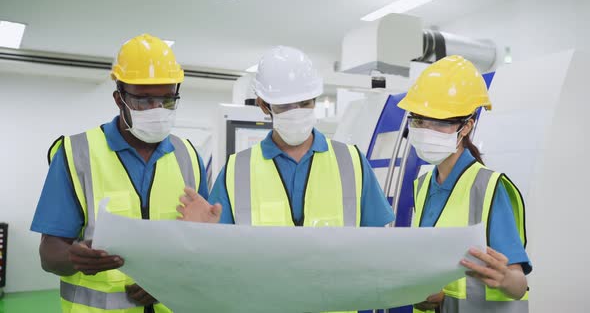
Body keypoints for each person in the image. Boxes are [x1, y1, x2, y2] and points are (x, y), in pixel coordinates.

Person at [178, 46, 394, 313]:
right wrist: (203, 235)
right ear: (263, 105)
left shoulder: (351, 162)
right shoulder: (236, 170)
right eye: (286, 105)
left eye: (305, 103)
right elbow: (220, 264)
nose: (297, 112)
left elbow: (378, 248)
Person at [31, 34, 209, 313]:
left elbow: (201, 246)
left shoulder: (188, 156)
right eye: (144, 100)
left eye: (167, 100)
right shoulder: (75, 154)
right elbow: (49, 253)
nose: (156, 110)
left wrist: (170, 281)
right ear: (119, 98)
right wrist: (75, 257)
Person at [397, 55, 531, 313]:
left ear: (466, 126)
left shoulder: (489, 188)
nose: (427, 130)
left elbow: (518, 285)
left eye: (440, 122)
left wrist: (505, 278)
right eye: (420, 120)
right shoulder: (424, 186)